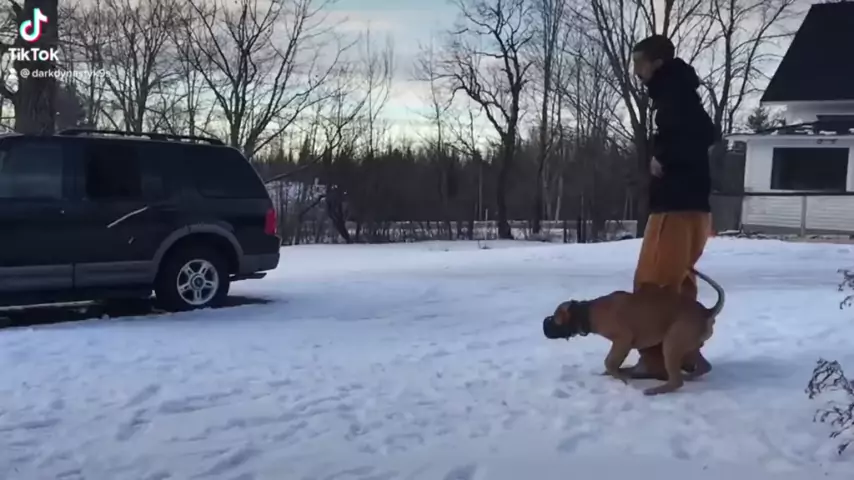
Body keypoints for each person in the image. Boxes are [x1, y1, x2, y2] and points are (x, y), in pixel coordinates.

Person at [625, 35, 719, 379]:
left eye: (640, 63)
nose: (636, 71)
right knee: (680, 283)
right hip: (695, 206)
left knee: (655, 285)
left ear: (657, 64)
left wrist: (662, 159)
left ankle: (655, 359)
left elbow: (687, 137)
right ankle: (686, 354)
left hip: (674, 205)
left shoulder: (671, 96)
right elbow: (707, 133)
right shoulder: (684, 93)